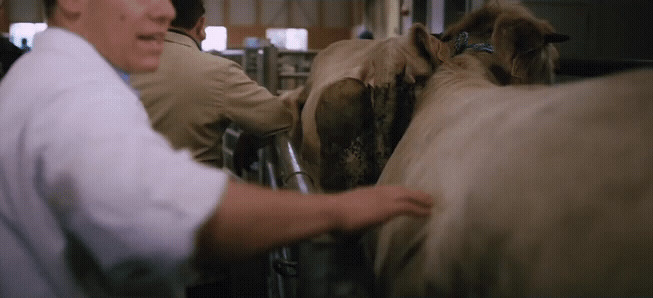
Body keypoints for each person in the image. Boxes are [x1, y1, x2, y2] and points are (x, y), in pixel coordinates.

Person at [0, 0, 433, 296]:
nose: (164, 9)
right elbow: (179, 217)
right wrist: (336, 211)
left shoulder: (49, 75)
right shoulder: (71, 92)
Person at [130, 0, 291, 169]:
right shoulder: (219, 72)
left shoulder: (113, 64)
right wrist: (253, 135)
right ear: (201, 25)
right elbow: (278, 115)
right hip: (190, 190)